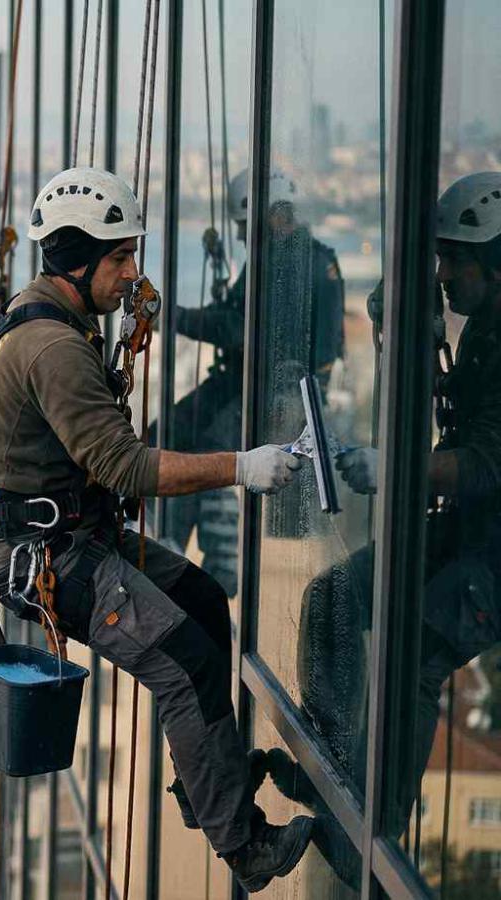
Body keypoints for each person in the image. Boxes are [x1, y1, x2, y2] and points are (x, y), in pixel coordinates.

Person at [0, 166, 313, 892]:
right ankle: (244, 847)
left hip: (69, 536)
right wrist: (242, 467)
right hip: (48, 557)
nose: (131, 274)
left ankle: (205, 783)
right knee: (186, 663)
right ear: (77, 258)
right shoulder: (54, 347)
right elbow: (125, 466)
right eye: (119, 258)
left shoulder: (47, 313)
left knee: (204, 603)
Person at [280, 172, 501, 874]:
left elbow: (486, 464)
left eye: (454, 261)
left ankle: (375, 833)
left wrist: (397, 468)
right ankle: (336, 773)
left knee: (415, 662)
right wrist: (402, 327)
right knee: (331, 598)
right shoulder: (485, 330)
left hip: (493, 553)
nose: (444, 274)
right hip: (469, 531)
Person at [158, 169, 346, 592]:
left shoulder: (286, 262)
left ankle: (219, 561)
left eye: (245, 226)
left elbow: (237, 328)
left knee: (207, 451)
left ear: (268, 217)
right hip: (271, 386)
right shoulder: (306, 256)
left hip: (277, 394)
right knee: (169, 433)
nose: (242, 237)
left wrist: (174, 317)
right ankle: (170, 542)